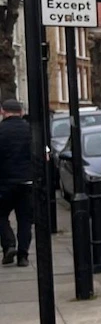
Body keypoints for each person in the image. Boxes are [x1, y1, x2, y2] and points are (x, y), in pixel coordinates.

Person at [0, 98, 33, 267]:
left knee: (1, 215)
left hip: (4, 183)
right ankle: (23, 256)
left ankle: (9, 244)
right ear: (20, 112)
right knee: (25, 220)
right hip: (26, 182)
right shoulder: (30, 130)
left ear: (3, 112)